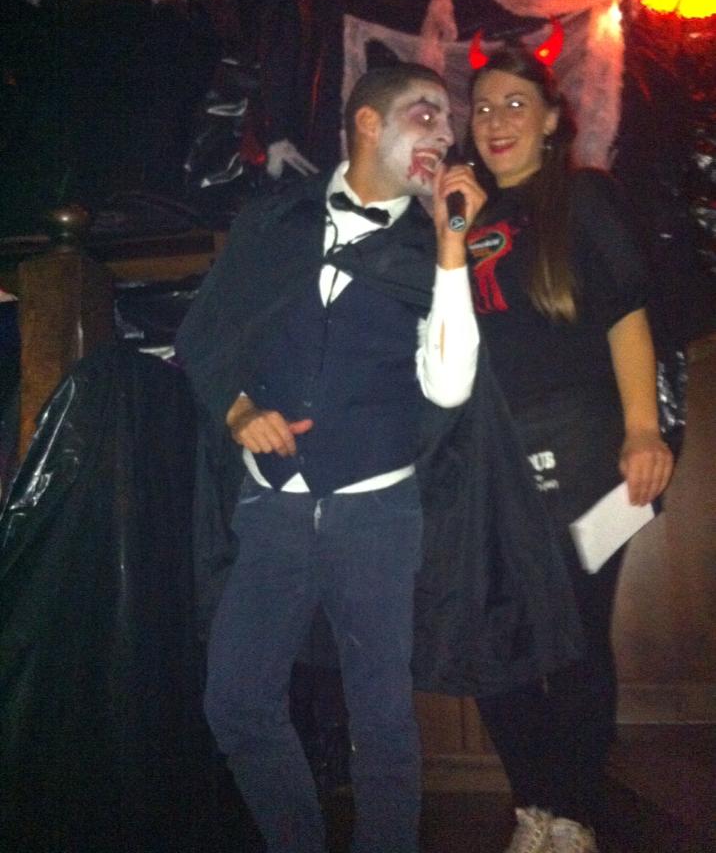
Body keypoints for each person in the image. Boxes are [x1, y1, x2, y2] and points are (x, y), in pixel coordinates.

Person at [175, 62, 486, 853]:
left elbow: (450, 386)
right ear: (369, 124)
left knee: (381, 717)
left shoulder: (429, 244)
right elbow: (205, 334)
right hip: (271, 507)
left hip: (377, 510)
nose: (447, 134)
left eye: (449, 122)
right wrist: (239, 410)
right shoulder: (274, 218)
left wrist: (452, 247)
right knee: (236, 702)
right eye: (427, 116)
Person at [461, 42, 674, 853]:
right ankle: (537, 806)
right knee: (495, 642)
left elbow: (626, 317)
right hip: (494, 459)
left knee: (576, 637)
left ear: (552, 120)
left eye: (516, 104)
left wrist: (643, 431)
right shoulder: (461, 217)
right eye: (483, 107)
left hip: (585, 450)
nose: (496, 120)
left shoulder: (582, 198)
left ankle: (573, 815)